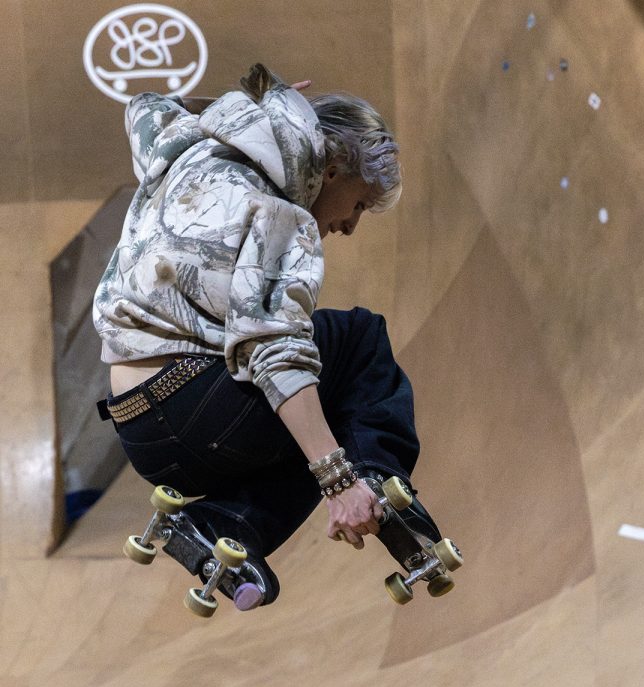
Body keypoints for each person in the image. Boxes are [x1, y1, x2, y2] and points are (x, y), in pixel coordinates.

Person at [93, 63, 438, 610]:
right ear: (331, 169)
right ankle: (375, 475)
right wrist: (339, 479)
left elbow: (145, 104)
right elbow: (273, 349)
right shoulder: (279, 214)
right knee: (358, 341)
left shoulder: (183, 146)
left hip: (139, 431)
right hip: (199, 412)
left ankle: (222, 527)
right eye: (359, 204)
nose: (349, 226)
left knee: (317, 418)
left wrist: (254, 108)